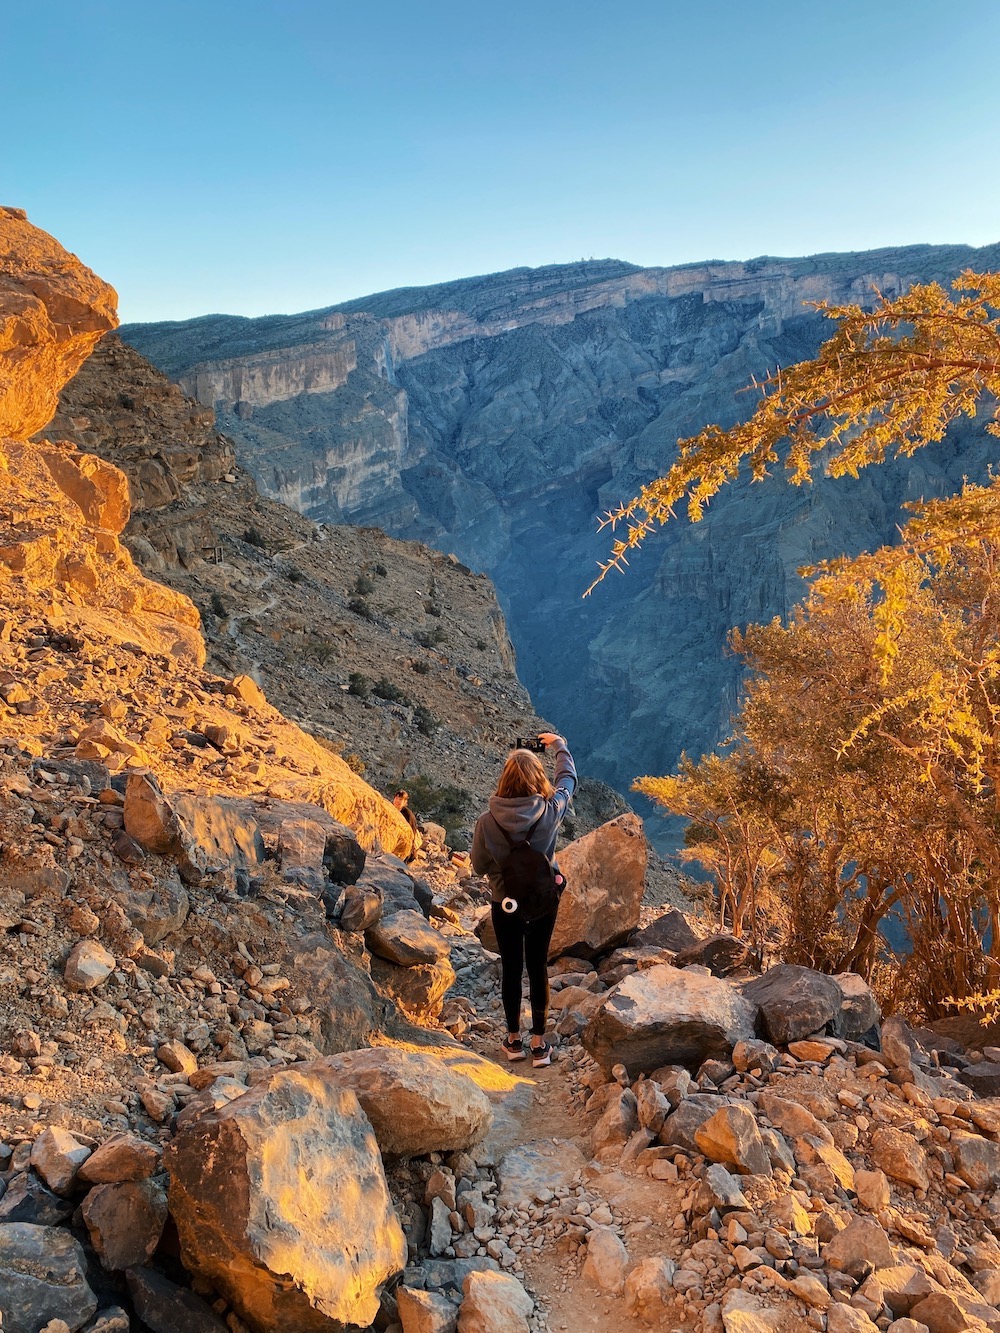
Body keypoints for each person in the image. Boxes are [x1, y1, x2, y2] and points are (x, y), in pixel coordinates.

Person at [471, 733, 576, 1067]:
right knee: (538, 966)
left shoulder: (487, 822)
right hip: (544, 902)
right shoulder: (549, 812)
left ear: (504, 780)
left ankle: (513, 1041)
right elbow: (568, 780)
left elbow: (478, 865)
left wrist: (502, 873)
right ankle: (539, 1045)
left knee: (512, 969)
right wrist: (559, 745)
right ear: (537, 780)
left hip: (506, 905)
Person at [393, 789, 420, 863]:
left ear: (405, 802)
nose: (397, 801)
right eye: (396, 798)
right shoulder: (392, 809)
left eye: (401, 799)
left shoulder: (408, 815)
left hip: (406, 848)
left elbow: (411, 835)